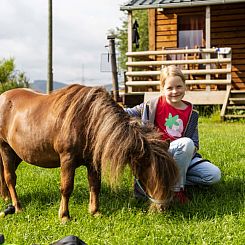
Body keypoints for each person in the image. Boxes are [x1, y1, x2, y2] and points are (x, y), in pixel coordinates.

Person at [125, 65, 221, 204]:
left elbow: (194, 143)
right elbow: (126, 113)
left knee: (213, 175)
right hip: (157, 155)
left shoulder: (191, 113)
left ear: (185, 86)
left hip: (180, 156)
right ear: (162, 88)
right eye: (169, 88)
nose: (175, 91)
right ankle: (177, 190)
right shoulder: (151, 105)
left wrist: (185, 154)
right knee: (186, 143)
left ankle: (167, 180)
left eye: (179, 86)